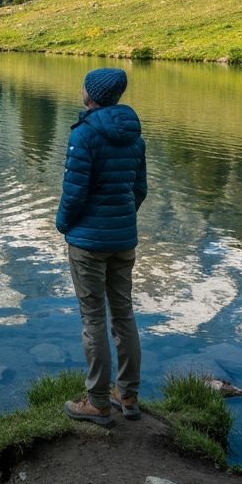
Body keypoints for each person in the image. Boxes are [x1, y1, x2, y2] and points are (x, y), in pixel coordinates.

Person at [55, 67, 147, 426]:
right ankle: (128, 395)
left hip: (88, 243)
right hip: (123, 240)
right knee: (124, 315)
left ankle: (97, 403)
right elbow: (139, 190)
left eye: (84, 85)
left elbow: (74, 193)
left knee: (93, 319)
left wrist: (63, 224)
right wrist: (121, 219)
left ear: (90, 94)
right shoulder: (135, 136)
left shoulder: (84, 135)